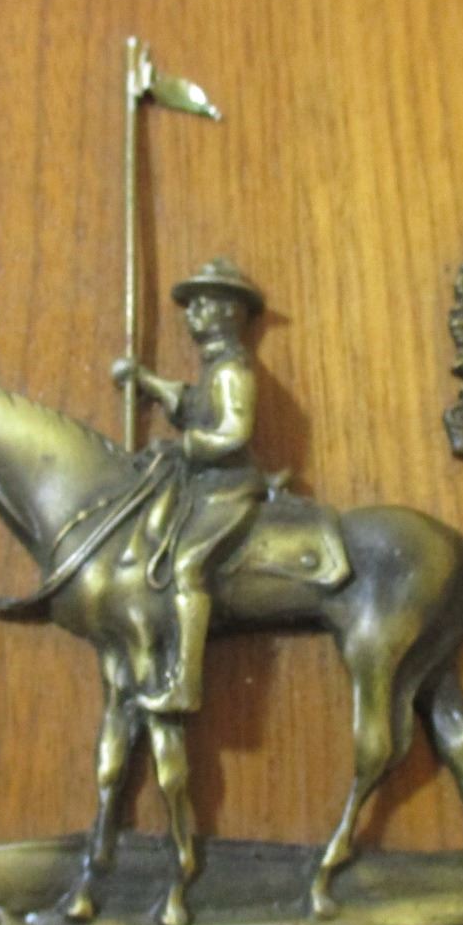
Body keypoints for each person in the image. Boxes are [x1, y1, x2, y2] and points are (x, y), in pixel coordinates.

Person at [110, 258, 266, 714]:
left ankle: (185, 685)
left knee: (189, 563)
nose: (192, 313)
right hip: (205, 485)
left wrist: (188, 446)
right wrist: (145, 380)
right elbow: (192, 402)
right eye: (191, 305)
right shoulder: (214, 366)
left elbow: (235, 432)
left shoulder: (233, 371)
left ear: (229, 313)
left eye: (203, 304)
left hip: (230, 488)